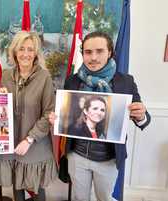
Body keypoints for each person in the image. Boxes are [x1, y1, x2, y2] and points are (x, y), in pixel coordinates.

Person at [50, 31, 151, 201]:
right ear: (83, 54)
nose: (93, 57)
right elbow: (67, 117)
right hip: (77, 156)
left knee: (105, 198)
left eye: (100, 51)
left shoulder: (125, 82)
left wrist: (140, 115)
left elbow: (144, 120)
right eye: (88, 52)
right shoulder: (73, 81)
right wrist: (58, 120)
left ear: (110, 52)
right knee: (79, 198)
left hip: (108, 160)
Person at [0, 31, 58, 201]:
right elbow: (1, 110)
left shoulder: (44, 77)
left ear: (36, 53)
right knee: (16, 187)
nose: (25, 54)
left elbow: (48, 112)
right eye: (21, 49)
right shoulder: (6, 75)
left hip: (35, 143)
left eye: (30, 49)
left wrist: (29, 139)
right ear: (14, 52)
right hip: (10, 141)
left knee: (37, 191)